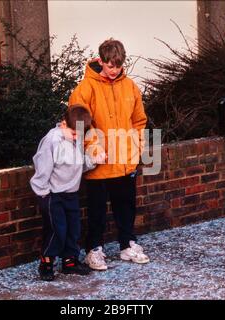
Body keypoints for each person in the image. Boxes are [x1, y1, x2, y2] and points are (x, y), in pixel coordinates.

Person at [69, 38, 150, 271]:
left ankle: (127, 245)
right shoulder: (85, 88)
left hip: (125, 161)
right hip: (100, 163)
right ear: (101, 61)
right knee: (97, 210)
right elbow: (81, 123)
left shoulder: (130, 87)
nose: (114, 70)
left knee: (126, 206)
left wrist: (136, 148)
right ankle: (94, 250)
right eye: (110, 65)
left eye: (118, 65)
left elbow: (139, 121)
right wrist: (94, 149)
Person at [30, 105, 106, 281]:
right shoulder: (52, 140)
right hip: (52, 195)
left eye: (79, 135)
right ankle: (46, 263)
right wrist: (43, 193)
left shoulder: (76, 137)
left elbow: (79, 164)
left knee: (74, 229)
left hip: (71, 193)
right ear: (63, 124)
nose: (77, 137)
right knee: (57, 230)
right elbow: (42, 169)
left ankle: (70, 262)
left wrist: (93, 160)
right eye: (73, 134)